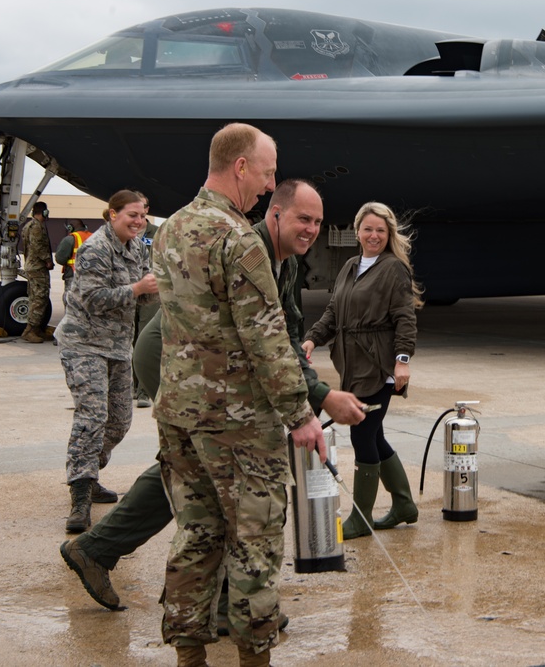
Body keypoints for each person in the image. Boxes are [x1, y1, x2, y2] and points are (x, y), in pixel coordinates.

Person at [59, 179, 365, 618]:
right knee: (226, 472)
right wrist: (317, 398)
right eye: (303, 219)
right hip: (175, 356)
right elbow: (259, 338)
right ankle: (227, 605)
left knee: (194, 466)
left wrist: (315, 391)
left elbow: (288, 333)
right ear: (275, 214)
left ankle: (100, 550)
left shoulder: (288, 262)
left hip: (208, 362)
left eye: (318, 221)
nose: (312, 229)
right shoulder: (250, 248)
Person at [152, 123, 326, 667]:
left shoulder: (171, 229)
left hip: (178, 414)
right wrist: (301, 415)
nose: (268, 185)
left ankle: (189, 655)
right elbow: (267, 336)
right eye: (268, 173)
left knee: (196, 534)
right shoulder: (238, 238)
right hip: (236, 422)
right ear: (242, 167)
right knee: (254, 541)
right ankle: (254, 657)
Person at [302, 201, 422, 540]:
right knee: (374, 434)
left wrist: (402, 360)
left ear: (389, 235)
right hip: (352, 364)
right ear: (357, 231)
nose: (374, 235)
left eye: (380, 231)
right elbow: (332, 311)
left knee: (362, 434)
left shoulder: (393, 268)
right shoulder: (350, 266)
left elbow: (404, 317)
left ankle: (362, 517)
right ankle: (403, 505)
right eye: (368, 229)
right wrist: (312, 339)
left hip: (379, 365)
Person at [56, 191, 158, 534]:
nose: (138, 221)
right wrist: (136, 288)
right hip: (83, 344)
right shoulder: (94, 249)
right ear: (112, 214)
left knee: (120, 420)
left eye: (142, 215)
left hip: (116, 346)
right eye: (131, 214)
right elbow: (92, 298)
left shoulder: (137, 247)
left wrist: (161, 288)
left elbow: (145, 289)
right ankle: (81, 494)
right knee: (92, 416)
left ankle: (88, 470)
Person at [132, 193, 160, 408]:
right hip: (130, 291)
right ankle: (132, 386)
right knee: (130, 337)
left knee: (145, 336)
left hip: (150, 294)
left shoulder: (157, 233)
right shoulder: (125, 234)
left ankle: (143, 392)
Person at [21, 201, 54, 343]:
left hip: (32, 265)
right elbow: (37, 246)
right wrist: (47, 260)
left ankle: (36, 329)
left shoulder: (28, 226)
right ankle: (30, 330)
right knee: (40, 298)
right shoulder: (36, 227)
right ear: (44, 212)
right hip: (38, 267)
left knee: (35, 297)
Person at [55, 219, 92, 310]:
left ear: (70, 227)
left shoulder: (70, 239)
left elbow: (60, 258)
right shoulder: (94, 237)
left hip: (73, 276)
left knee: (71, 305)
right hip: (92, 277)